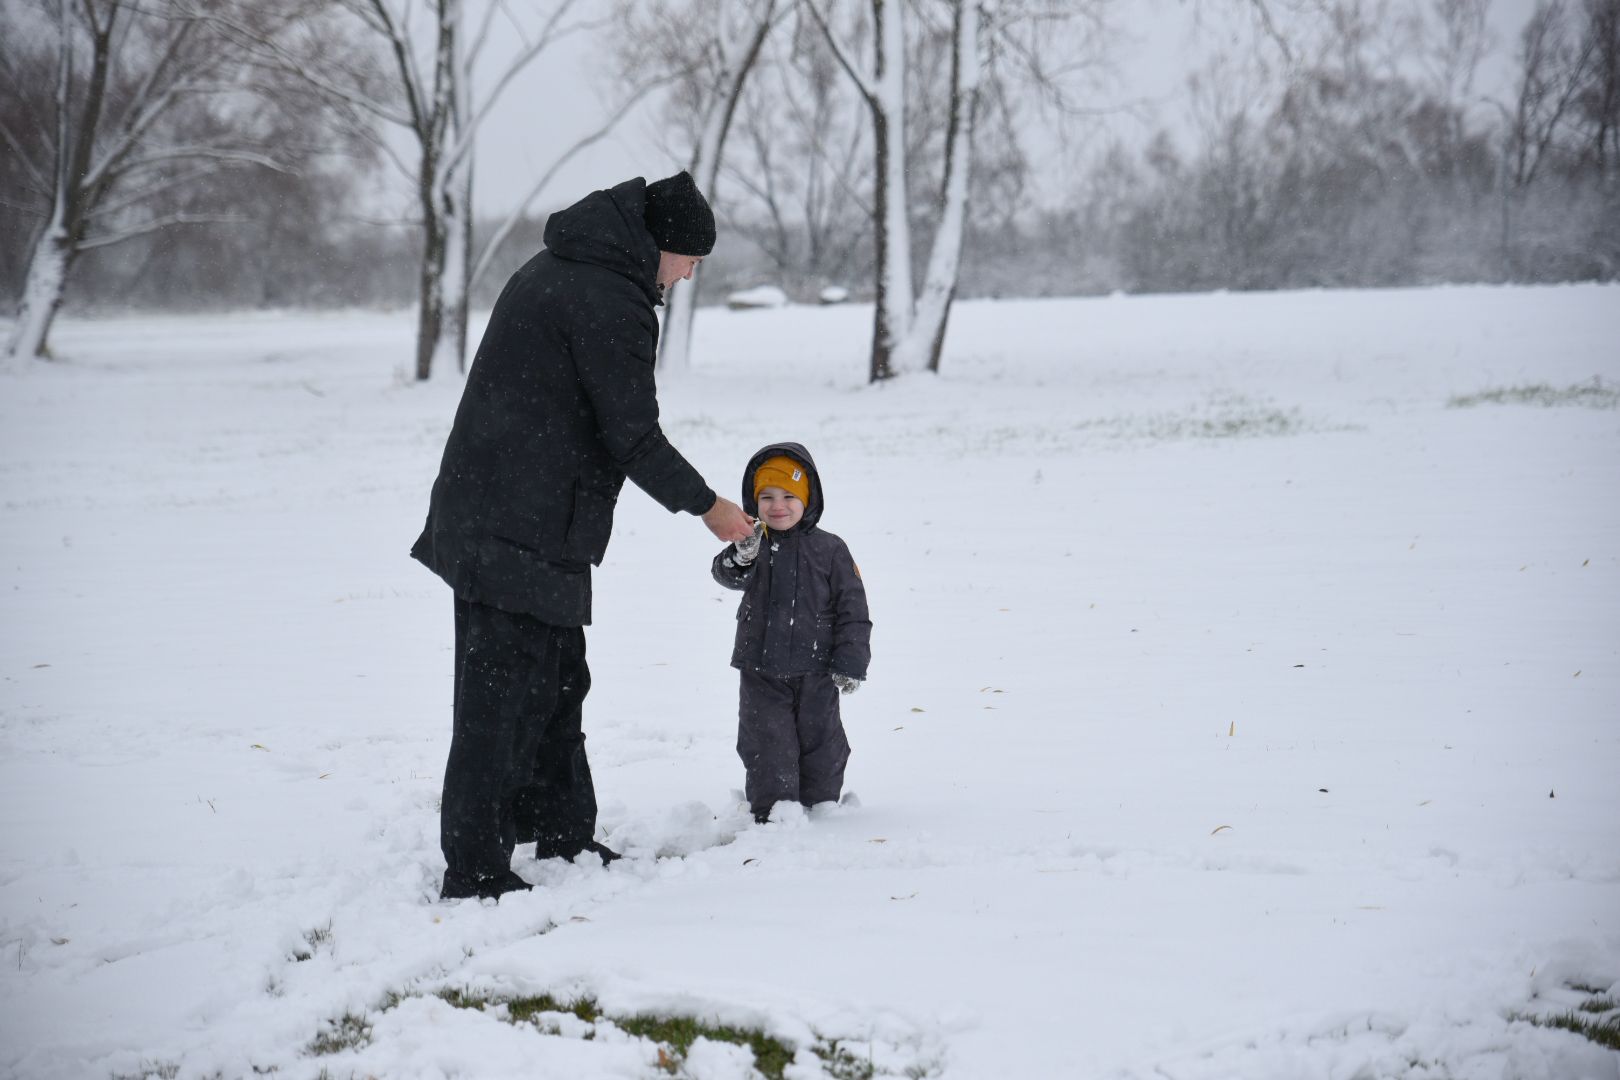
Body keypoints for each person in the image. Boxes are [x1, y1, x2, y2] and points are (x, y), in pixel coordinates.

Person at [412, 171, 754, 901]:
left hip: (520, 515)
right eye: (689, 259)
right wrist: (710, 507)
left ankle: (560, 832)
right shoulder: (607, 297)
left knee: (557, 679)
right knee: (498, 699)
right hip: (515, 522)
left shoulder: (568, 266)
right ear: (660, 245)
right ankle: (474, 869)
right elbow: (631, 434)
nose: (690, 273)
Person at [710, 443, 871, 823]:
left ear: (807, 499)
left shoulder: (831, 550)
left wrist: (850, 662)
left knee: (823, 741)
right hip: (761, 667)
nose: (777, 505)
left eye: (788, 496)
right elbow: (726, 574)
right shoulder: (751, 543)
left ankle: (822, 806)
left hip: (818, 669)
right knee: (767, 742)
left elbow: (854, 610)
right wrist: (739, 555)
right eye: (766, 496)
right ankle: (773, 810)